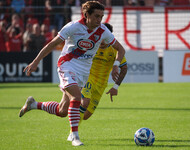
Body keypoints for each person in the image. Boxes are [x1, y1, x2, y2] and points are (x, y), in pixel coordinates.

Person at [19, 1, 125, 147]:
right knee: (77, 97)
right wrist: (36, 61)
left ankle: (33, 104)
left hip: (83, 72)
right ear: (86, 15)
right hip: (66, 65)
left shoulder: (103, 31)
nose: (99, 20)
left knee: (62, 111)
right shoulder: (73, 27)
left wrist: (115, 66)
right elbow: (52, 44)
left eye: (101, 16)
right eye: (96, 16)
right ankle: (74, 136)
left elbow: (121, 49)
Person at [67, 23, 127, 141]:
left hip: (101, 84)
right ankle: (73, 134)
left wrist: (115, 87)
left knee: (86, 115)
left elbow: (124, 68)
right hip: (88, 78)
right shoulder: (91, 46)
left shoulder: (114, 50)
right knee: (85, 102)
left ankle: (71, 107)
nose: (103, 40)